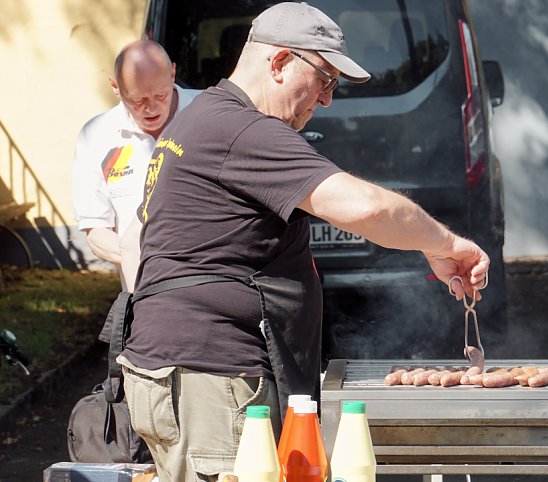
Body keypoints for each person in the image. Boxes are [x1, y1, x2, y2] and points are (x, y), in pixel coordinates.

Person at [117, 3, 490, 481]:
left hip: (185, 373)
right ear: (278, 62)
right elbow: (364, 208)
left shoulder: (202, 118)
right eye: (324, 79)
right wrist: (445, 245)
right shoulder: (242, 130)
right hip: (209, 378)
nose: (328, 99)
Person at [71, 40, 197, 286]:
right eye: (137, 100)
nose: (150, 108)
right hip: (142, 293)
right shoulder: (95, 136)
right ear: (115, 87)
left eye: (160, 95)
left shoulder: (212, 113)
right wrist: (143, 259)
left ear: (173, 73)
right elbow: (96, 231)